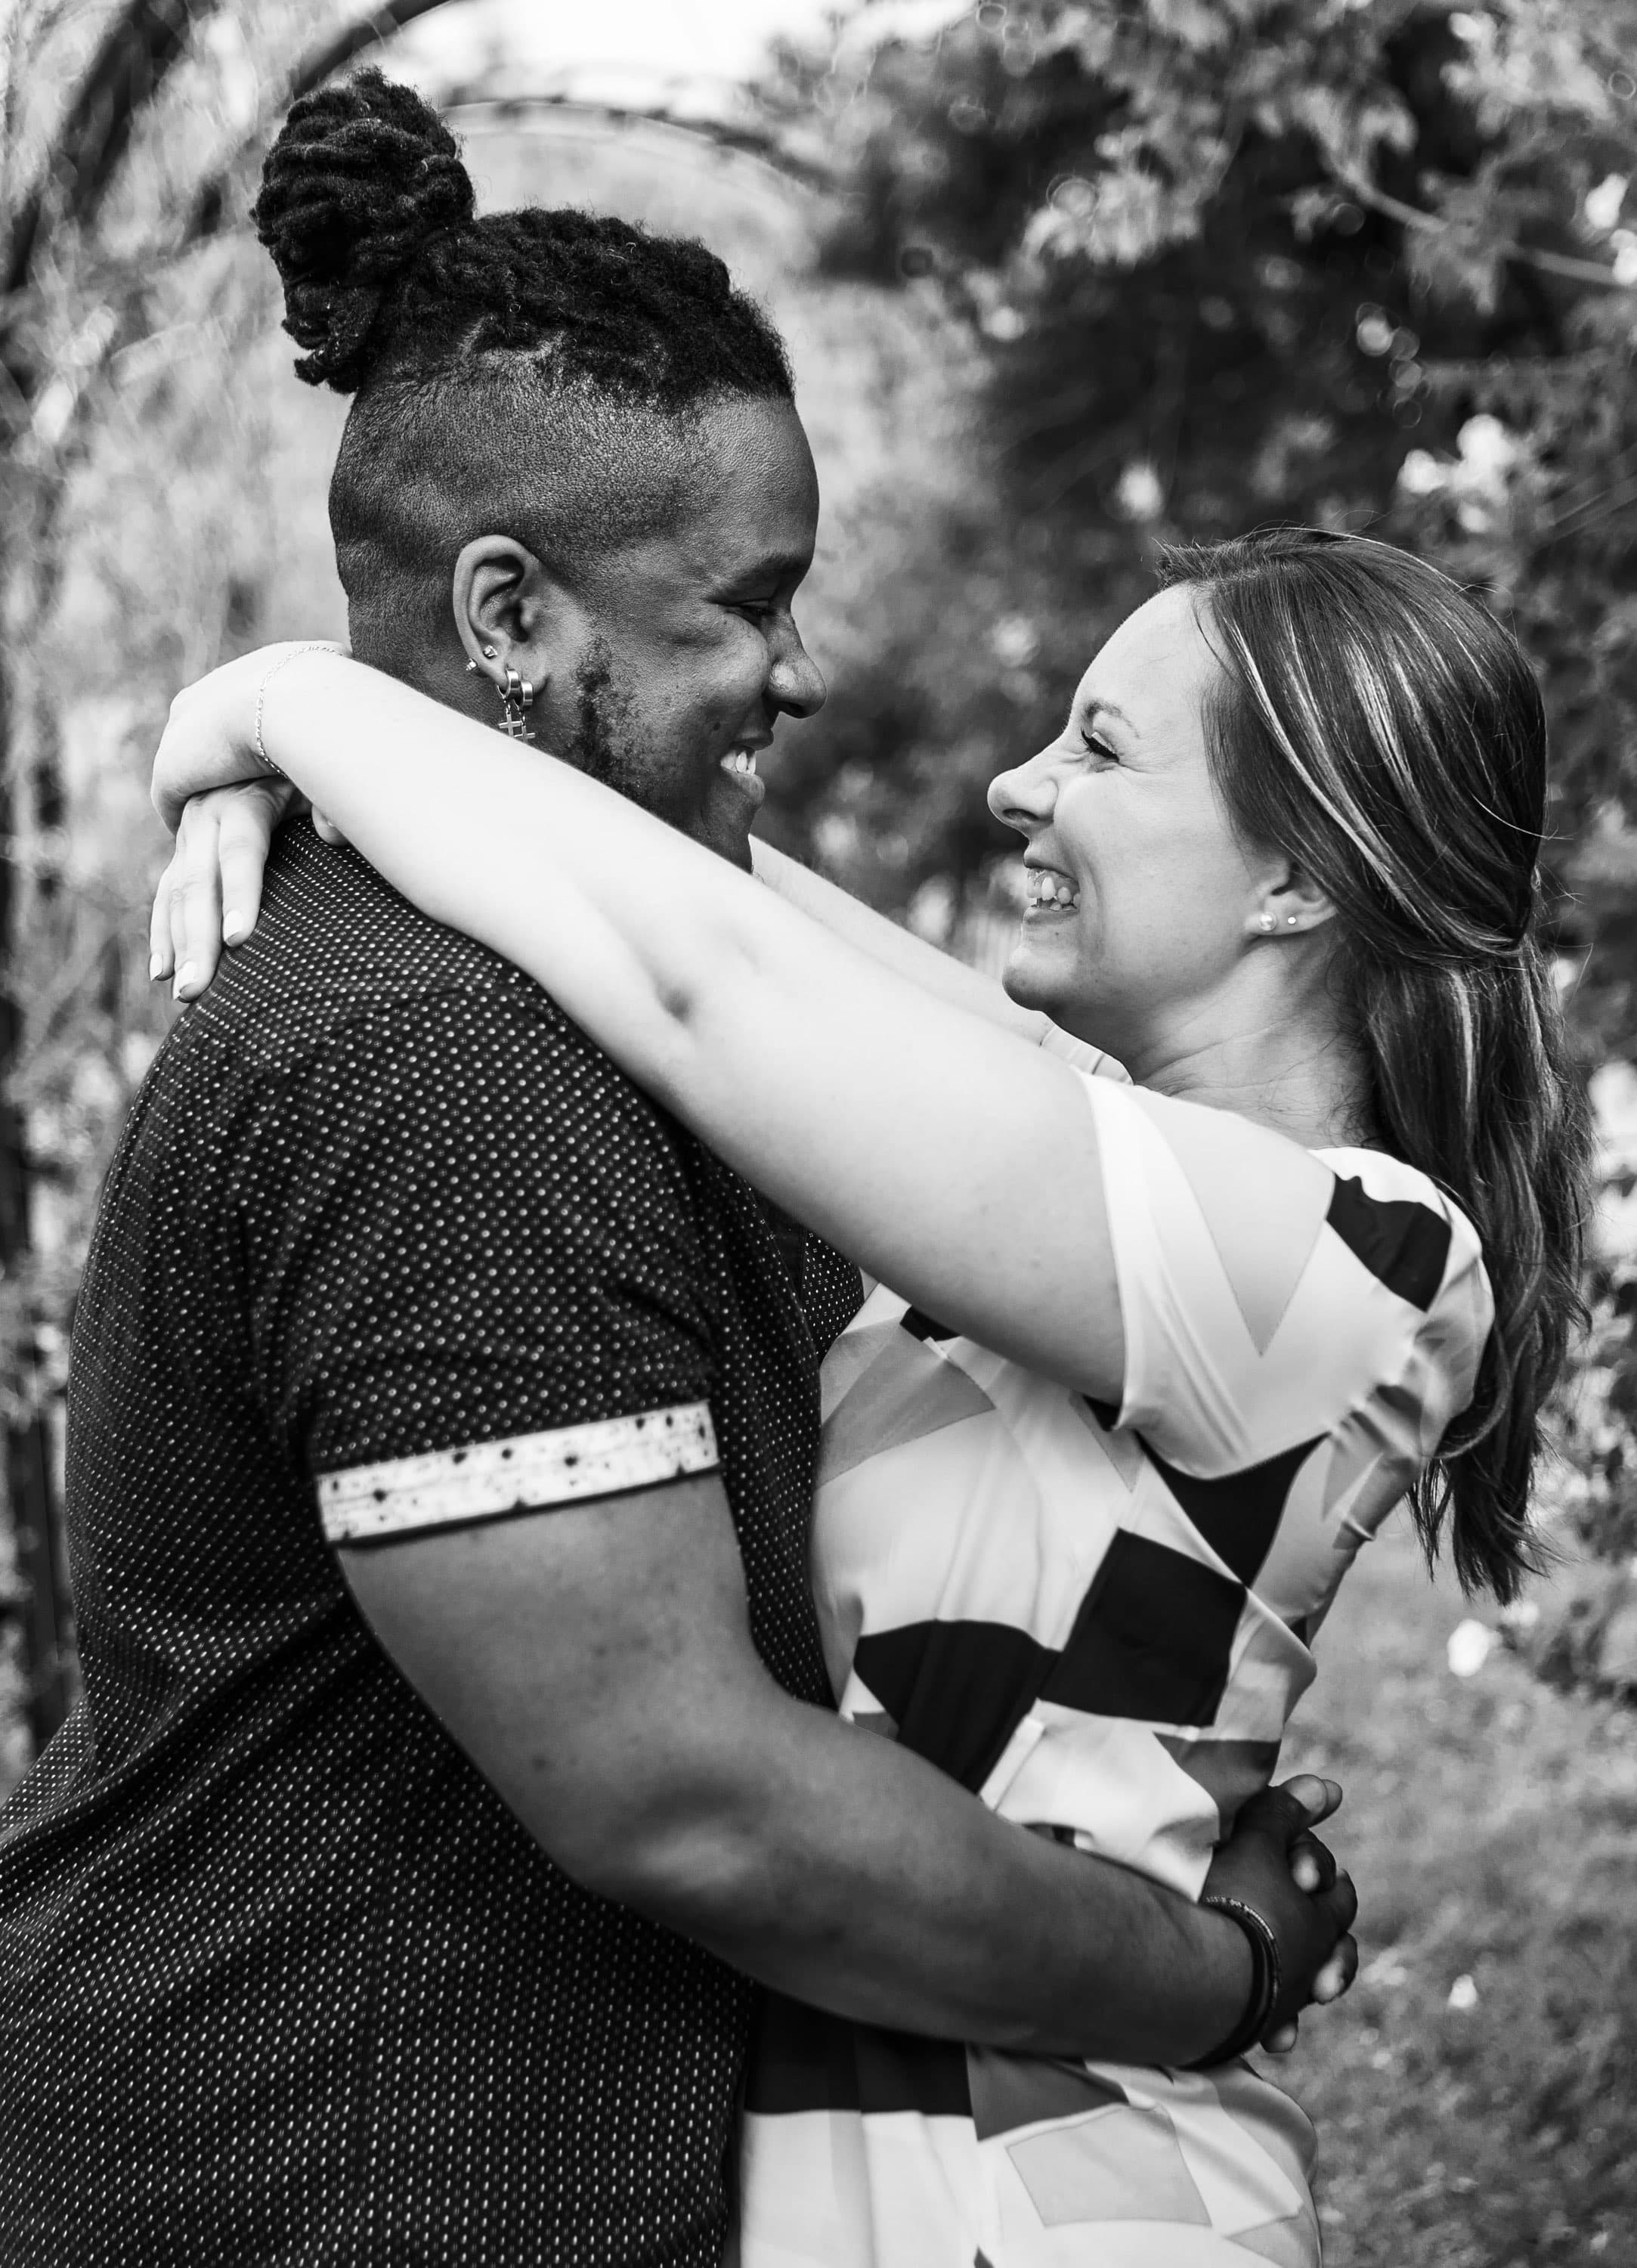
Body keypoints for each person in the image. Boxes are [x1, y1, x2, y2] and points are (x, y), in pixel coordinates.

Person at [0, 75, 1354, 2268]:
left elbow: (846, 996)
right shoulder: (448, 1066)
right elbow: (687, 1796)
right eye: (745, 604)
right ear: (514, 618)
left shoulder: (574, 981)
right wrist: (1198, 1968)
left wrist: (265, 708)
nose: (794, 673)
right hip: (339, 2189)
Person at [148, 522, 1589, 2267]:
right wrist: (288, 775)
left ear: (1295, 878)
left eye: (1102, 749)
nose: (1013, 784)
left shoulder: (1344, 1258)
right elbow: (696, 879)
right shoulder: (1083, 1161)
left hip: (1062, 2213)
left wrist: (282, 701)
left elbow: (701, 978)